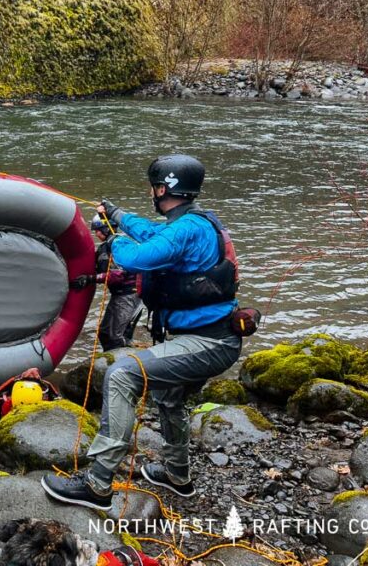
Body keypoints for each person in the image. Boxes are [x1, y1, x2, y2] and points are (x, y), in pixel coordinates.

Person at [41, 154, 241, 510]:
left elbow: (137, 258)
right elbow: (153, 235)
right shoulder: (190, 223)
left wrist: (112, 240)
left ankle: (97, 483)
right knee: (169, 397)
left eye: (154, 186)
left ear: (163, 188)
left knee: (122, 375)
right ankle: (176, 474)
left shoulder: (187, 228)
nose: (153, 192)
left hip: (209, 342)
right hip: (208, 338)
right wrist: (118, 216)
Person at [71, 215, 143, 351]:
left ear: (106, 228)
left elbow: (118, 275)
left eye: (98, 230)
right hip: (119, 296)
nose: (96, 233)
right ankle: (114, 357)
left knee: (114, 337)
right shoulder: (104, 248)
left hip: (129, 295)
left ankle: (123, 364)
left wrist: (90, 278)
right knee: (104, 333)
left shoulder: (118, 245)